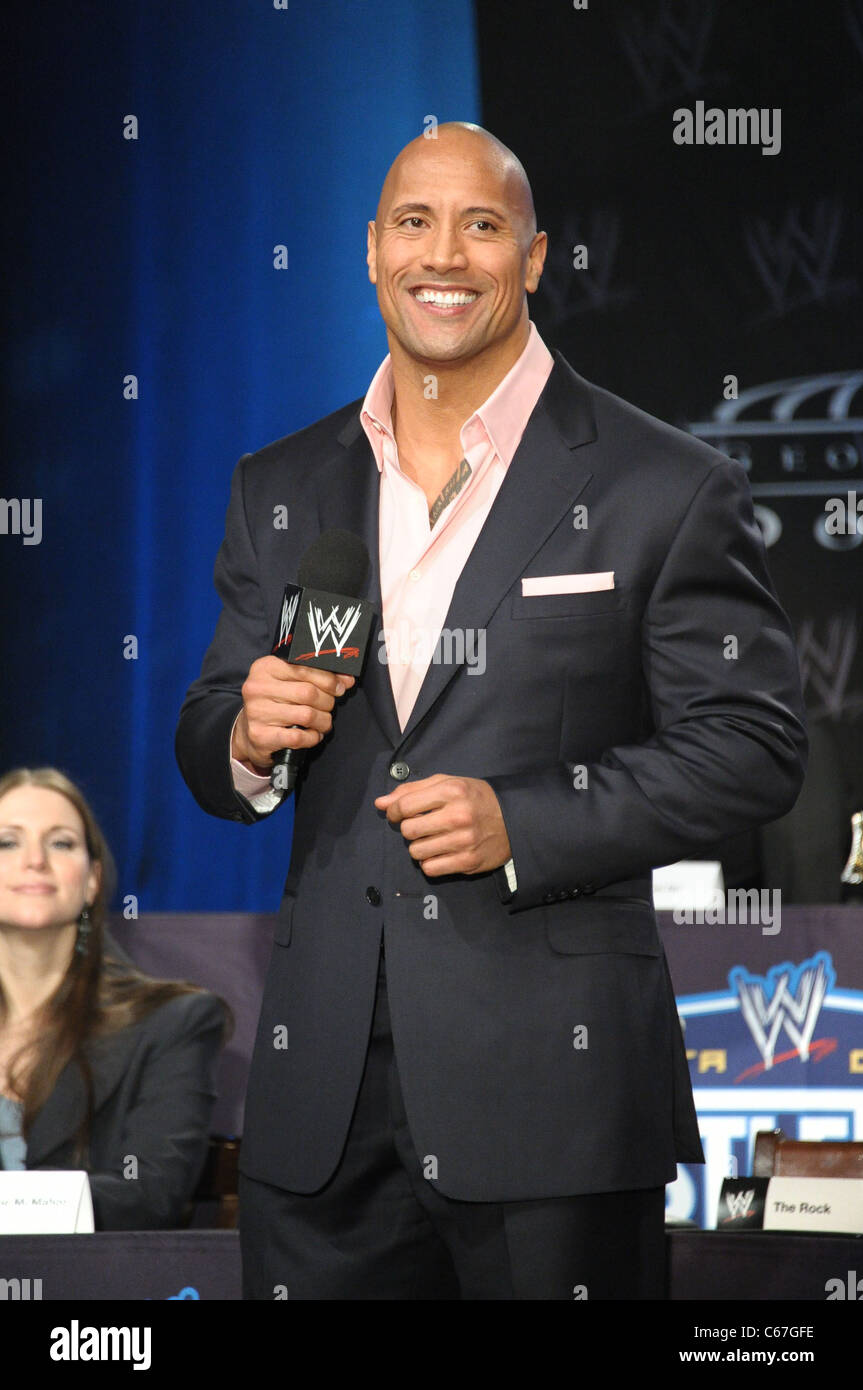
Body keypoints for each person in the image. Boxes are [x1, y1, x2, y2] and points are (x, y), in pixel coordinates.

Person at [176, 123, 807, 1299]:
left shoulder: (662, 481)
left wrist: (527, 821)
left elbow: (755, 748)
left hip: (554, 1101)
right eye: (414, 222)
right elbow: (211, 725)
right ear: (371, 250)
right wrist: (247, 738)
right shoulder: (282, 482)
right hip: (321, 1107)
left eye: (482, 225)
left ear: (533, 256)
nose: (445, 254)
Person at [0, 766, 229, 1229]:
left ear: (92, 880)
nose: (34, 861)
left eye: (60, 842)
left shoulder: (175, 1022)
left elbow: (153, 1192)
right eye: (7, 842)